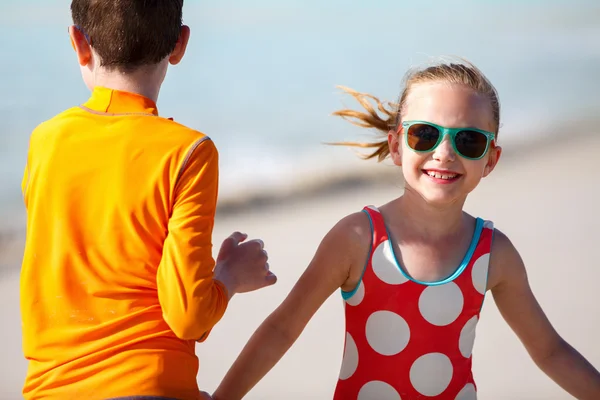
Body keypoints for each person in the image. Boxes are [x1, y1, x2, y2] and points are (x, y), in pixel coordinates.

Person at [211, 59, 600, 399]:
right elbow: (282, 328)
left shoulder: (493, 253)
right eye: (425, 135)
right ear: (397, 146)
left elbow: (549, 351)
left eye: (468, 140)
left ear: (491, 159)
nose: (444, 152)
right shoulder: (358, 239)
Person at [19, 1, 276, 399]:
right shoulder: (187, 152)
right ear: (180, 45)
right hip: (148, 384)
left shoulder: (44, 142)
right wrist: (228, 277)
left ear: (78, 43)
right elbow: (188, 317)